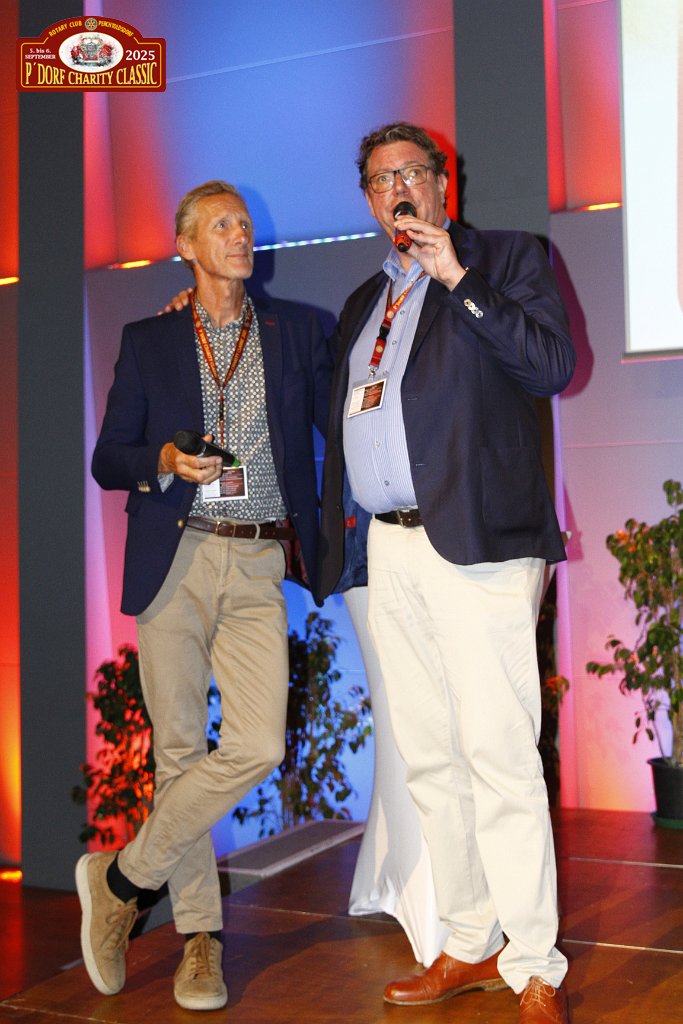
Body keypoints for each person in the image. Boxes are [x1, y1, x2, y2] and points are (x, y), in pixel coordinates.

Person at [317, 122, 576, 1024]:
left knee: (498, 754)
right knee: (428, 756)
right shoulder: (363, 301)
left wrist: (457, 279)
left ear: (440, 184)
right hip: (387, 550)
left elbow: (549, 366)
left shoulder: (506, 259)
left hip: (479, 540)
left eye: (410, 172)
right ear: (367, 199)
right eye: (378, 178)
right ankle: (468, 941)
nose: (395, 187)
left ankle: (534, 961)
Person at [79, 180, 332, 1011]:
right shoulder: (148, 339)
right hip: (176, 554)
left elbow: (341, 418)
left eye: (244, 224)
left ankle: (121, 880)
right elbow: (108, 457)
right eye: (221, 225)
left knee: (258, 743)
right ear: (185, 245)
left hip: (257, 559)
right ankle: (200, 942)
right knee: (180, 752)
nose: (240, 235)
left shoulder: (295, 331)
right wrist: (160, 458)